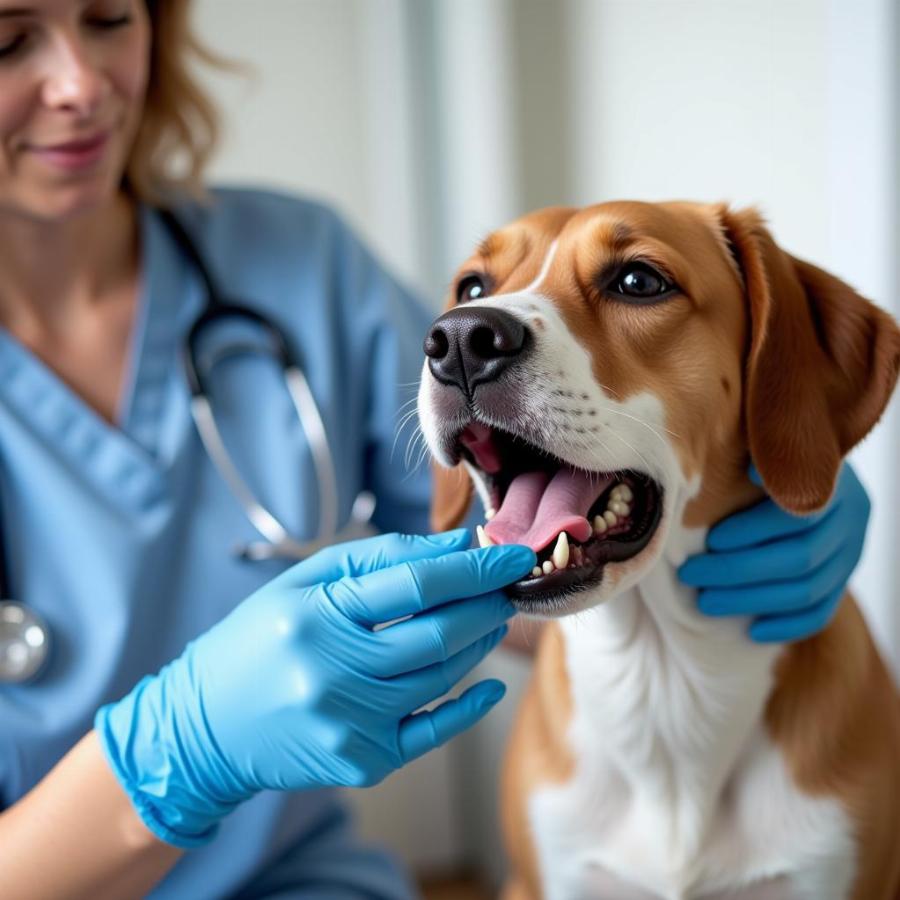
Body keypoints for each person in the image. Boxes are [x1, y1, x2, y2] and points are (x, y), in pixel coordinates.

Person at [0, 2, 872, 898]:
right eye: (8, 37)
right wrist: (187, 752)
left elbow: (478, 553)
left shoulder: (299, 260)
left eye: (109, 17)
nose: (79, 83)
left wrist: (775, 456)